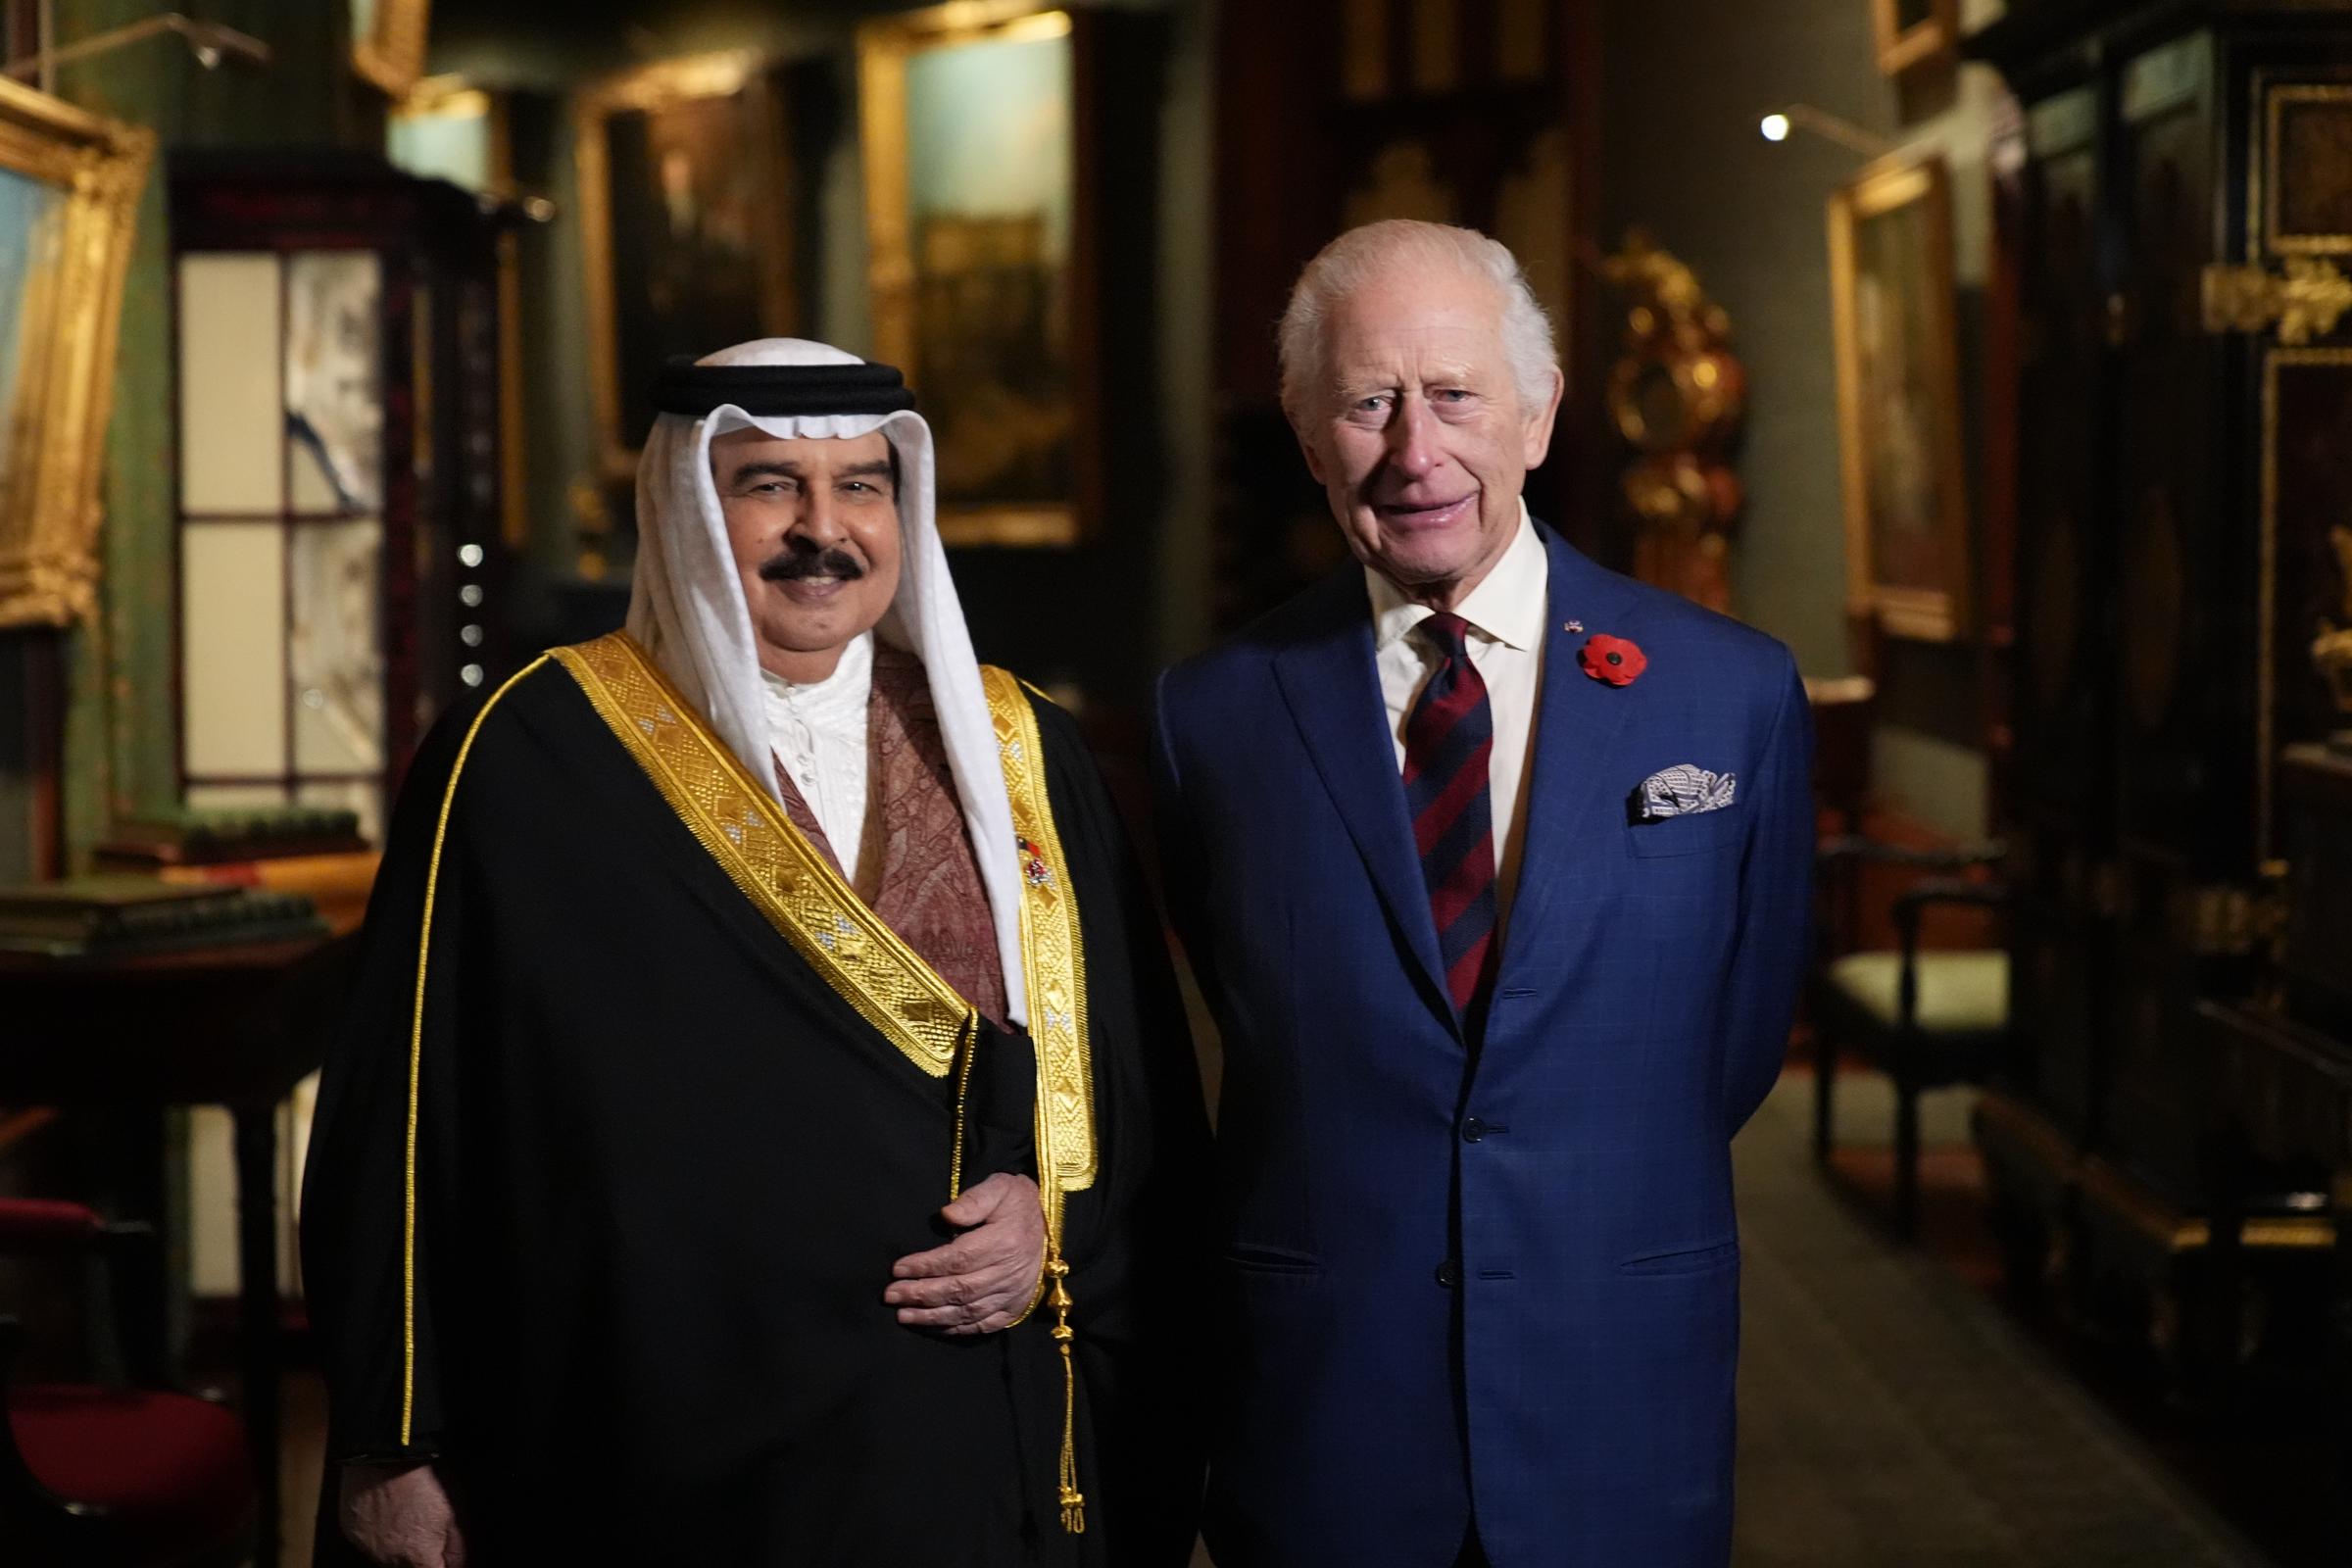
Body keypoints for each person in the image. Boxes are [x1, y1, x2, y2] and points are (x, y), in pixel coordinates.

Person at [303, 339, 1207, 1567]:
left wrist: (1053, 1226)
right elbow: (401, 1121)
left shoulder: (1020, 748)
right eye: (770, 484)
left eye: (863, 486)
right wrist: (392, 1439)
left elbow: (1128, 1075)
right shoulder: (527, 754)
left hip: (953, 1435)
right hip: (652, 1446)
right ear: (685, 504)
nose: (822, 530)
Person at [1152, 220, 1814, 1567]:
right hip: (1327, 1406)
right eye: (1366, 402)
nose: (1415, 450)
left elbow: (1732, 1049)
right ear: (1303, 429)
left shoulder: (1730, 693)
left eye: (1455, 394)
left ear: (1540, 412)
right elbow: (1243, 1025)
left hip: (1618, 1381)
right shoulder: (1209, 718)